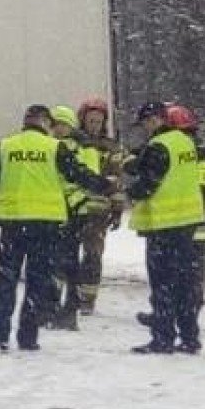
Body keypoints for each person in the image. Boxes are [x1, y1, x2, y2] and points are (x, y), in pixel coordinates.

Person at [0, 105, 111, 352]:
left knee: (6, 282)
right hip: (45, 226)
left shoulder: (5, 146)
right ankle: (28, 338)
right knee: (37, 282)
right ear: (46, 123)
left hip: (12, 225)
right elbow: (78, 174)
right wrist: (105, 186)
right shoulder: (53, 147)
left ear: (25, 122)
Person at [137, 104, 205, 337]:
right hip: (193, 224)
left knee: (170, 279)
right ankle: (186, 329)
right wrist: (204, 213)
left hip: (174, 224)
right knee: (189, 281)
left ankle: (166, 324)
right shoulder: (196, 150)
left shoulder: (176, 149)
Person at [126, 101, 205, 354]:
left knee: (162, 285)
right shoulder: (185, 142)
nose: (145, 130)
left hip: (164, 225)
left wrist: (125, 192)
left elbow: (149, 183)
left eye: (145, 124)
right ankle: (190, 337)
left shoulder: (158, 146)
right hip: (188, 222)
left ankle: (162, 338)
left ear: (154, 120)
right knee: (185, 284)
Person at [72, 98, 124, 315]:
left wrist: (117, 209)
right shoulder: (72, 145)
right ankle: (70, 296)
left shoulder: (111, 148)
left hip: (98, 212)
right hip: (73, 209)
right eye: (91, 121)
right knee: (67, 254)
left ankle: (88, 299)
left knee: (93, 255)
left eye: (98, 121)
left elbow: (116, 179)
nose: (94, 125)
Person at [45, 105, 92, 331]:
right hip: (59, 211)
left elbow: (86, 178)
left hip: (72, 212)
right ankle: (55, 309)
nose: (57, 129)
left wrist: (73, 202)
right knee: (57, 264)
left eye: (61, 125)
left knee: (66, 264)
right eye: (54, 125)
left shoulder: (78, 148)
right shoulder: (56, 147)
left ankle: (67, 310)